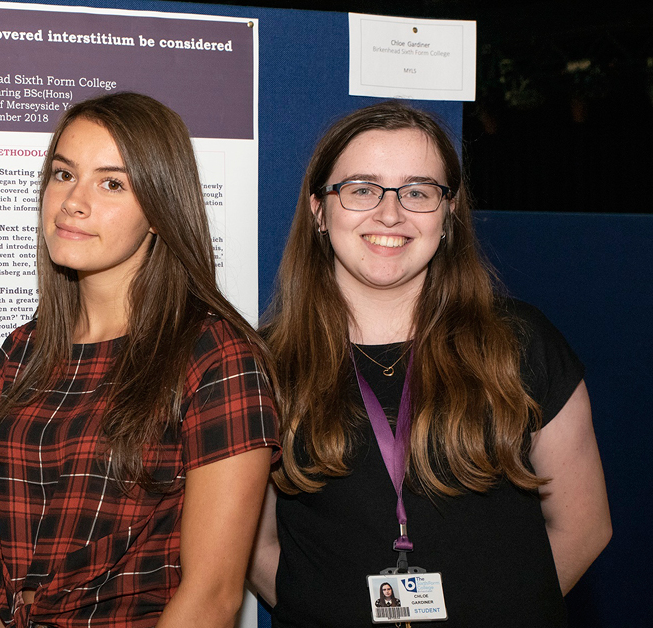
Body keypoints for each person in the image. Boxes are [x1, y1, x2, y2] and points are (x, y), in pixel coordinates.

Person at [249, 101, 611, 627]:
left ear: (449, 214)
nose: (390, 213)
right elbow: (253, 544)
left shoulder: (521, 344)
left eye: (418, 192)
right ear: (319, 210)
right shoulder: (260, 366)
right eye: (361, 189)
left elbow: (584, 527)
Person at [0, 92, 280, 628]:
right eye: (64, 174)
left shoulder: (216, 358)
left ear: (161, 210)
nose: (73, 201)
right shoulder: (23, 351)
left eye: (112, 183)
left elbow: (213, 596)